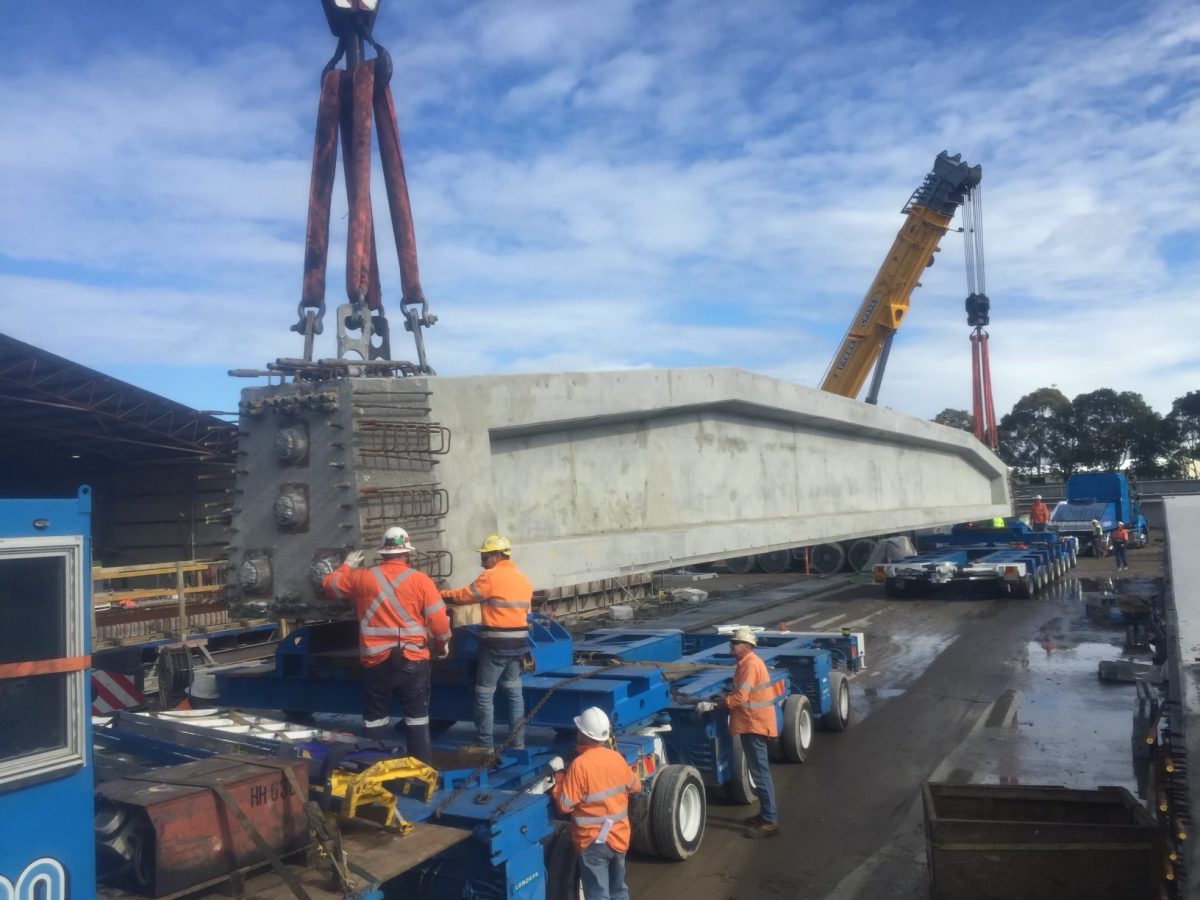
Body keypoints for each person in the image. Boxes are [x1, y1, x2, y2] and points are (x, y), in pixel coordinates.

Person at [322, 526, 451, 762]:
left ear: (383, 553)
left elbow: (329, 586)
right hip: (413, 661)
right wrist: (442, 645)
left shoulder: (363, 578)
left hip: (376, 662)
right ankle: (420, 772)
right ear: (407, 554)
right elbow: (439, 622)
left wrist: (347, 565)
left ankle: (374, 768)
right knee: (417, 720)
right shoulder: (421, 581)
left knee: (375, 720)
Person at [441, 534, 533, 751]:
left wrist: (440, 594)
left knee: (484, 693)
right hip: (519, 645)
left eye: (484, 556)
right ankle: (518, 744)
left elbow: (464, 596)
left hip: (496, 645)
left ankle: (485, 745)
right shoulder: (523, 579)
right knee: (513, 692)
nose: (482, 560)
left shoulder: (490, 577)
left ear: (496, 556)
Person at [549, 707, 640, 900]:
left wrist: (559, 776)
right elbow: (635, 786)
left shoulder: (579, 766)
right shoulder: (616, 758)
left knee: (598, 894)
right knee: (619, 891)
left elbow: (565, 805)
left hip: (592, 841)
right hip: (619, 835)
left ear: (582, 733)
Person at [699, 626, 781, 838]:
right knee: (759, 772)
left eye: (735, 643)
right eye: (732, 643)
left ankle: (770, 820)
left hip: (754, 724)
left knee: (760, 774)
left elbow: (741, 699)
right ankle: (765, 814)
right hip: (753, 723)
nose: (731, 646)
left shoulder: (750, 665)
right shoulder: (746, 663)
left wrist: (716, 705)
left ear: (746, 646)